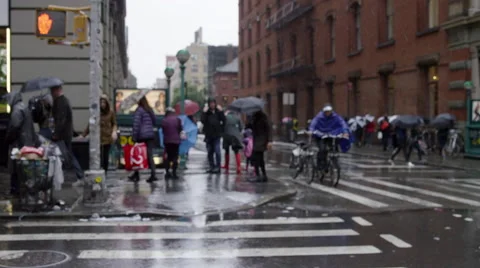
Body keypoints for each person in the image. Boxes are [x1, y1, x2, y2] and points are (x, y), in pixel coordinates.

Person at [5, 90, 38, 196]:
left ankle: (15, 190)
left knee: (16, 167)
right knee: (24, 168)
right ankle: (23, 189)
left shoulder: (17, 110)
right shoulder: (24, 107)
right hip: (27, 141)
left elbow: (14, 126)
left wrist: (8, 138)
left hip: (19, 144)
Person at [50, 86, 84, 186]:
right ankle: (74, 176)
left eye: (52, 90)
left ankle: (79, 176)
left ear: (57, 90)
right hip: (66, 134)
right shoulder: (65, 101)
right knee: (66, 155)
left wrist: (56, 134)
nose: (51, 93)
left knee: (68, 155)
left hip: (62, 135)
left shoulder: (61, 102)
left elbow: (61, 120)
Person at [82, 94, 117, 173]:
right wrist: (83, 135)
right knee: (98, 157)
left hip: (107, 137)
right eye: (101, 102)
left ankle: (105, 172)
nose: (102, 104)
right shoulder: (96, 112)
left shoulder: (110, 112)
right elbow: (90, 124)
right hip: (98, 138)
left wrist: (114, 132)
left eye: (104, 102)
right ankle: (99, 172)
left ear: (107, 103)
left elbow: (114, 123)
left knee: (105, 156)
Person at [309, 105, 349, 171]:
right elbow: (314, 123)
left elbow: (342, 123)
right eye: (326, 112)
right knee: (322, 149)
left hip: (331, 134)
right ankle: (320, 164)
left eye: (329, 112)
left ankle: (334, 159)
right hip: (320, 135)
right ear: (324, 112)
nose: (328, 113)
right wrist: (311, 130)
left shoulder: (335, 116)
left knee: (334, 146)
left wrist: (345, 132)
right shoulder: (319, 116)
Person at [129, 96, 158, 183]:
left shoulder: (139, 110)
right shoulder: (149, 109)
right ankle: (153, 174)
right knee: (149, 155)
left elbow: (136, 124)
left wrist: (134, 137)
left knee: (137, 154)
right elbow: (155, 120)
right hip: (150, 135)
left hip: (141, 136)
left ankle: (136, 174)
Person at [201, 98, 226, 174]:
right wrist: (204, 112)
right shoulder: (207, 113)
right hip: (208, 136)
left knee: (217, 151)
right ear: (209, 104)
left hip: (216, 135)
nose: (212, 104)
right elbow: (202, 120)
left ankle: (218, 167)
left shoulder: (218, 112)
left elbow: (224, 120)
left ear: (215, 104)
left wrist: (221, 111)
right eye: (211, 103)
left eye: (213, 103)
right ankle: (212, 167)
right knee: (210, 152)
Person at [247, 110, 272, 183]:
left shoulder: (262, 118)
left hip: (261, 141)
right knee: (260, 159)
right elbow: (249, 127)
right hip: (257, 141)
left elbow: (268, 129)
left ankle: (258, 175)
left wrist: (269, 141)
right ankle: (264, 175)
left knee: (256, 158)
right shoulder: (254, 118)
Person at [161, 107, 182, 179]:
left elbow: (163, 130)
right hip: (176, 141)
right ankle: (174, 173)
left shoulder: (164, 120)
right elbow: (180, 129)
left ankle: (167, 172)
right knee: (175, 156)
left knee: (168, 157)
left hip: (167, 141)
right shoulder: (177, 119)